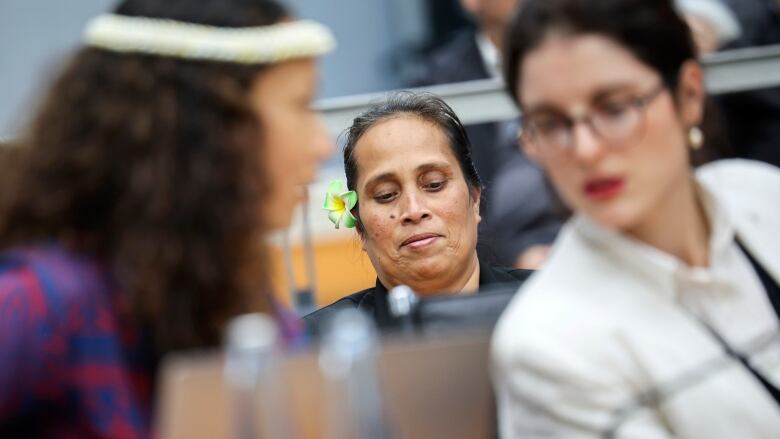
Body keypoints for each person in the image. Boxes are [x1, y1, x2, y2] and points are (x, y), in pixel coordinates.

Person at [0, 0, 334, 437]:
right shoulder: (38, 307)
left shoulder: (252, 305)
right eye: (301, 105)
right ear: (210, 127)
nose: (323, 144)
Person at [491, 0, 780, 437]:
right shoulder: (551, 344)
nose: (585, 150)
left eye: (614, 108)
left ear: (689, 96)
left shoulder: (761, 195)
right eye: (550, 123)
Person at [304, 92, 532, 333]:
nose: (414, 210)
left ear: (474, 200)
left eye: (434, 184)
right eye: (385, 195)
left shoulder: (551, 302)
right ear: (360, 226)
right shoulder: (316, 345)